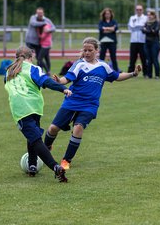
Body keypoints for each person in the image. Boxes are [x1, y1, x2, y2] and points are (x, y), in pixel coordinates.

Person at [44, 37, 142, 170]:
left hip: (90, 105)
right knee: (53, 129)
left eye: (90, 50)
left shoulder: (103, 66)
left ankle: (66, 160)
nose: (87, 53)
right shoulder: (79, 64)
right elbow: (66, 79)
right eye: (85, 50)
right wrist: (59, 81)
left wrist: (133, 74)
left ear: (97, 51)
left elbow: (117, 76)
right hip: (72, 101)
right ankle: (46, 149)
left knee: (78, 128)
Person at [4, 45, 71, 182]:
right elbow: (45, 81)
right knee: (34, 138)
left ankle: (48, 167)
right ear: (31, 57)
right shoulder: (33, 68)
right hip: (34, 106)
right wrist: (63, 89)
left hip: (20, 108)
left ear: (16, 57)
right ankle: (39, 166)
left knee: (34, 138)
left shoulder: (9, 71)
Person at [128, 4, 148, 77]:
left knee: (144, 58)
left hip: (142, 41)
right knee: (132, 58)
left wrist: (138, 27)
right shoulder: (132, 18)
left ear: (142, 10)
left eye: (140, 9)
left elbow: (144, 27)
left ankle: (145, 73)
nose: (139, 11)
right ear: (135, 10)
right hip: (133, 41)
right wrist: (140, 27)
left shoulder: (146, 18)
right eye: (137, 9)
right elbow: (131, 27)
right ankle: (130, 73)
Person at [142, 10, 160, 79]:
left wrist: (148, 30)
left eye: (150, 15)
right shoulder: (146, 23)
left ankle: (157, 75)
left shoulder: (157, 23)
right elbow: (143, 30)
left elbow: (155, 31)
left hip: (155, 43)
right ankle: (149, 75)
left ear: (154, 15)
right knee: (148, 60)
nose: (149, 16)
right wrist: (150, 30)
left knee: (154, 59)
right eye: (148, 15)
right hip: (147, 43)